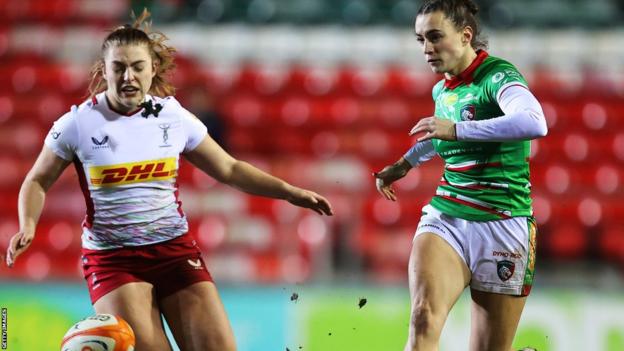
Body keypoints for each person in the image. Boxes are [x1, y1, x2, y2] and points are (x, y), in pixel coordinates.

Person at [4, 10, 332, 351]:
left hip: (174, 250)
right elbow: (37, 180)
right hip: (115, 260)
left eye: (137, 67)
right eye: (118, 68)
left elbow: (230, 169)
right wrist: (28, 224)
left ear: (152, 69)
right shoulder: (77, 124)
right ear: (104, 71)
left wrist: (289, 192)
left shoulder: (172, 117)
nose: (128, 76)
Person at [374, 1, 547, 350]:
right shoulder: (444, 90)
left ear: (466, 36)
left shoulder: (497, 76)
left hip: (503, 222)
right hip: (447, 216)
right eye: (420, 39)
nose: (427, 49)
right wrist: (404, 164)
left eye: (435, 37)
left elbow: (534, 122)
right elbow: (442, 136)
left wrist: (456, 129)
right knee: (423, 317)